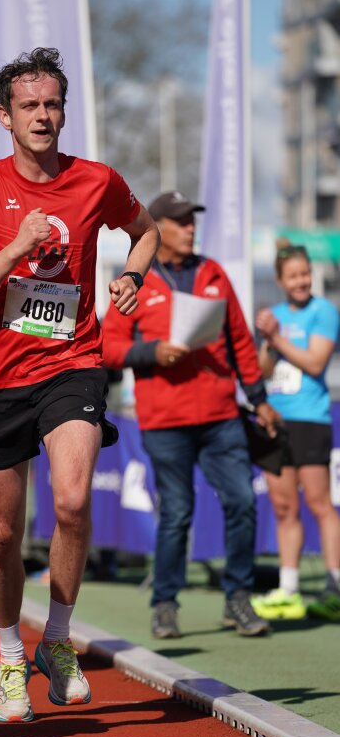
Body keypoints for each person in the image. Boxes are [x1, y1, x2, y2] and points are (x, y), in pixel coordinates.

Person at [0, 47, 159, 723]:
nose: (42, 115)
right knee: (2, 532)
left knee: (70, 500)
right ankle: (11, 657)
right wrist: (15, 247)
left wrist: (132, 275)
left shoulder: (96, 181)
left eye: (52, 104)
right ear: (4, 117)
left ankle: (57, 640)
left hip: (73, 361)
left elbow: (147, 231)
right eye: (28, 106)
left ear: (64, 112)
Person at [102, 190, 281, 640]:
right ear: (158, 228)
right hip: (166, 420)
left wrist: (259, 399)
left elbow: (241, 341)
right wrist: (151, 352)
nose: (190, 228)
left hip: (222, 415)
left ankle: (238, 598)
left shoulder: (213, 272)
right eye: (180, 221)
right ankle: (165, 603)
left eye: (192, 220)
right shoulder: (135, 281)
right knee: (177, 513)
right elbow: (108, 348)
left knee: (242, 501)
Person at [253, 244, 340, 622]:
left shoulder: (324, 311)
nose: (301, 281)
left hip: (311, 419)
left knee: (320, 503)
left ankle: (335, 587)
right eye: (293, 276)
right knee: (283, 507)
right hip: (276, 420)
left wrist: (277, 339)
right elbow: (263, 371)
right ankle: (288, 589)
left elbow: (316, 362)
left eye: (305, 273)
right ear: (280, 281)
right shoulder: (274, 315)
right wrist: (267, 339)